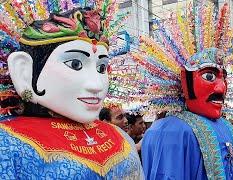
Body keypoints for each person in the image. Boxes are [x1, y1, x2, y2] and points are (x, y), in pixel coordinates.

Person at [0, 1, 143, 179]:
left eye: (101, 67)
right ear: (24, 71)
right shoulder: (7, 146)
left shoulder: (120, 139)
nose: (96, 84)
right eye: (75, 64)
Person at [127, 2, 233, 179]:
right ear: (185, 81)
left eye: (223, 77)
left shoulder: (226, 127)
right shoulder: (171, 131)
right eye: (209, 77)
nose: (221, 87)